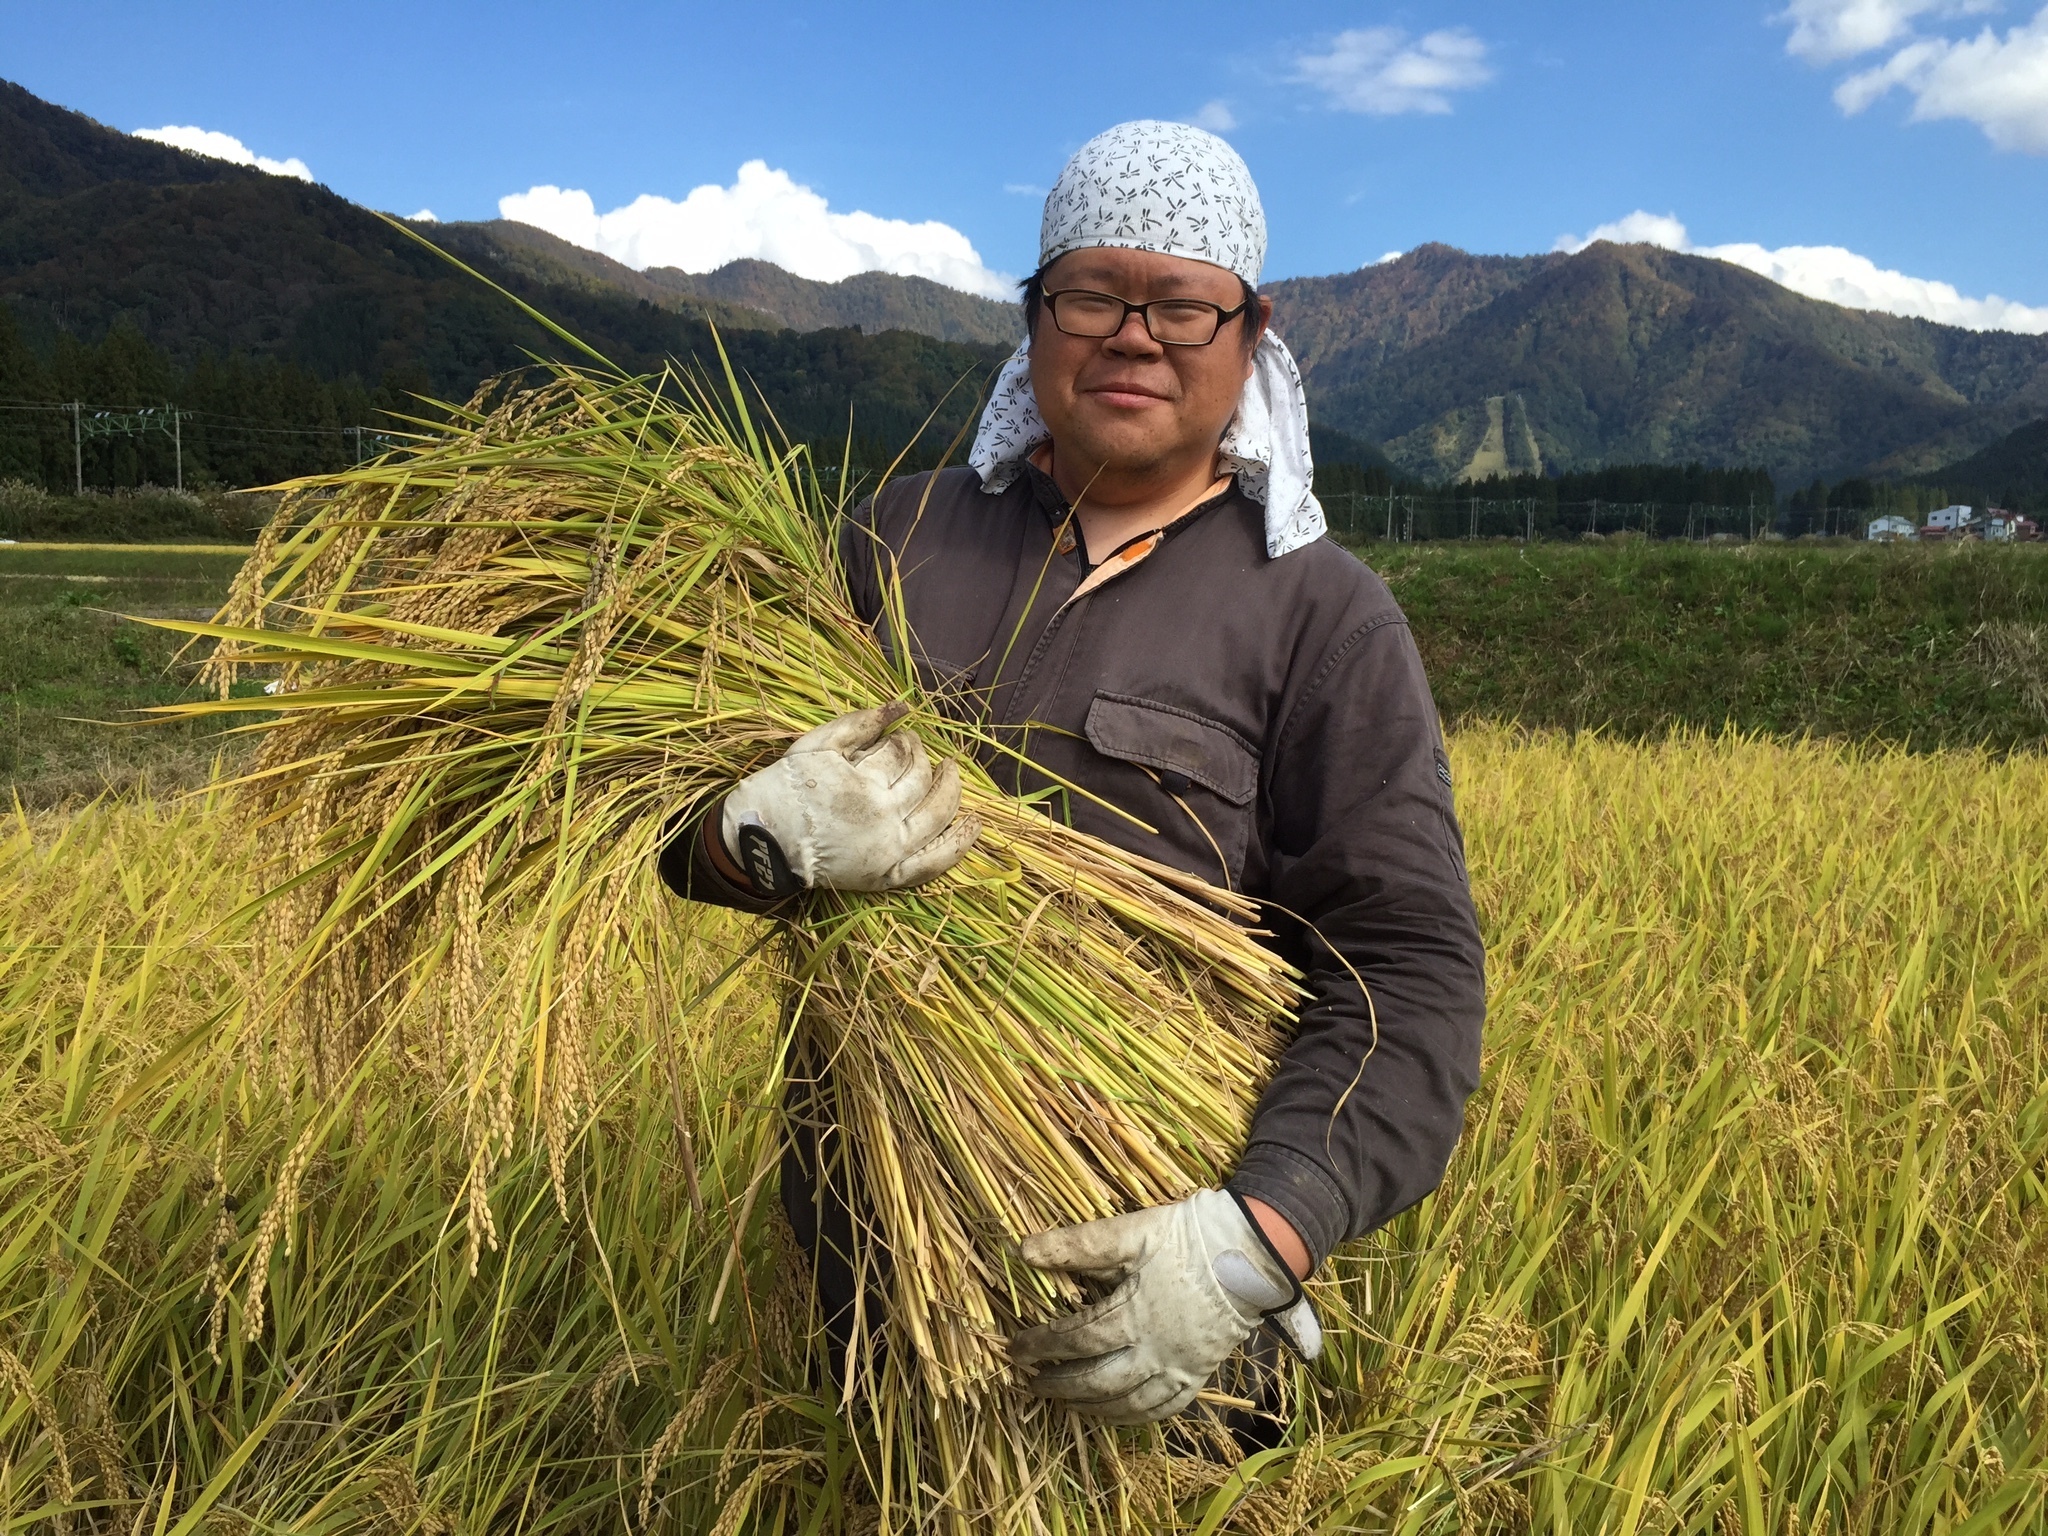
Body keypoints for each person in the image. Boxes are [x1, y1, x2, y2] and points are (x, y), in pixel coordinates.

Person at [659, 119, 1485, 1433]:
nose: (1134, 336)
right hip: (873, 1279)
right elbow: (679, 826)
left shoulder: (1321, 617)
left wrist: (1257, 1238)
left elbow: (1407, 977)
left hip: (1161, 1298)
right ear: (1034, 314)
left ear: (1253, 329)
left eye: (1182, 305)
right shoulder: (889, 539)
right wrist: (743, 839)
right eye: (1092, 295)